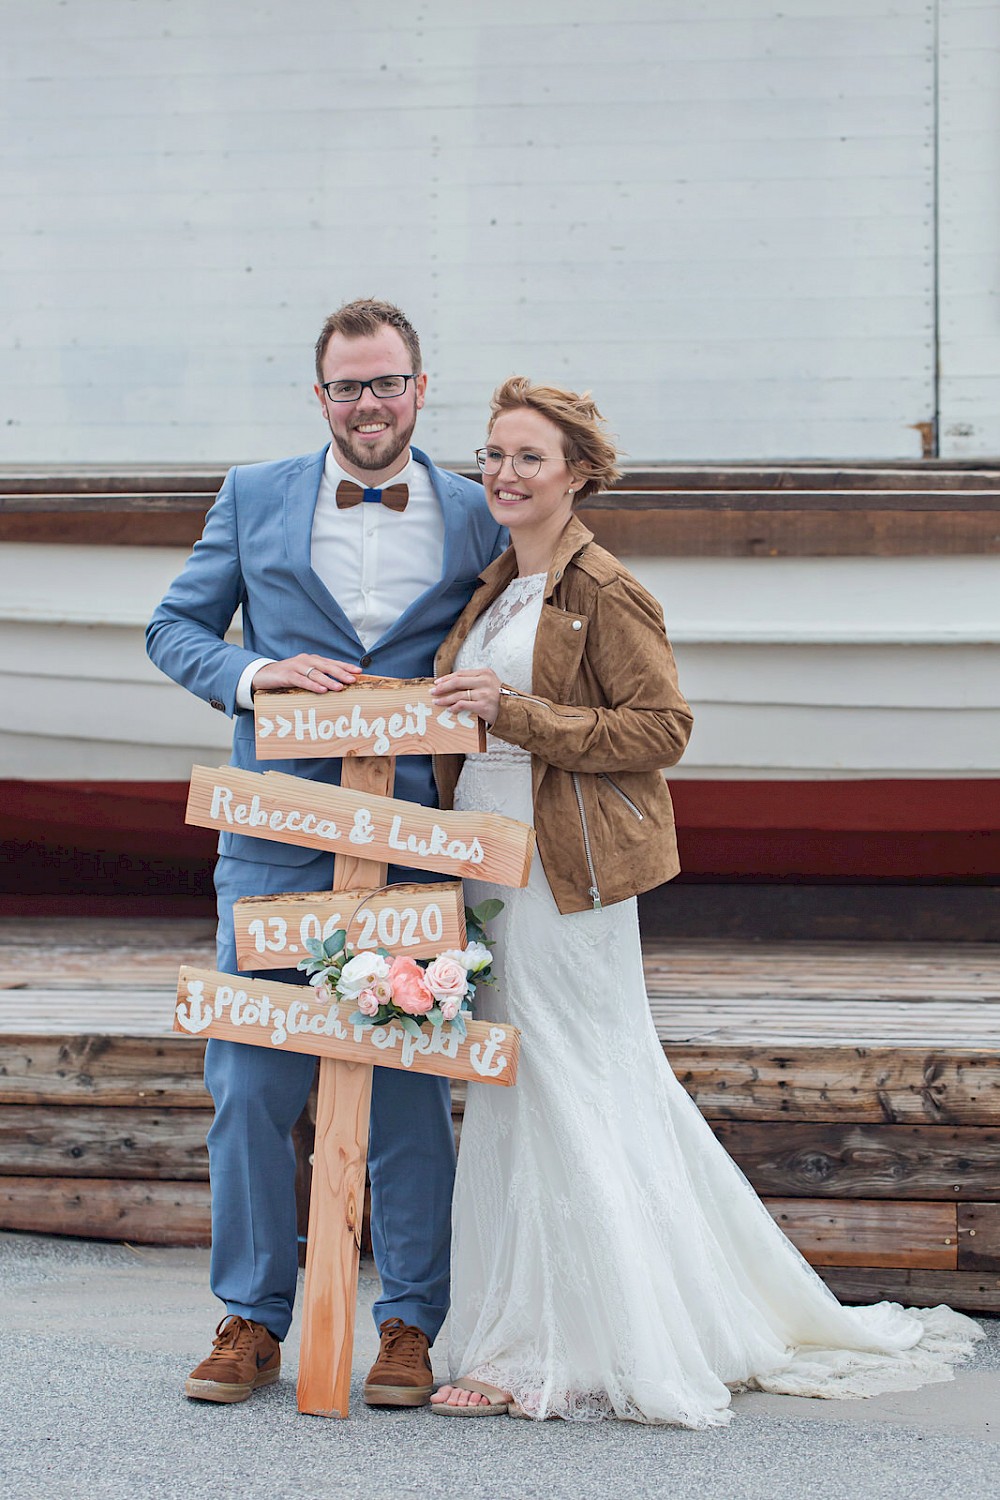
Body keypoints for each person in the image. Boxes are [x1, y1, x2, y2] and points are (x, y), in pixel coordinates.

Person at [428, 377, 982, 1425]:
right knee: (514, 1086)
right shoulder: (499, 585)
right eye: (491, 455)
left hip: (565, 875)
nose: (502, 474)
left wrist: (520, 714)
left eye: (527, 457)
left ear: (578, 471)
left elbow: (661, 731)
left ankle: (564, 1344)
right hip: (491, 862)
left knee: (565, 1082)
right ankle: (533, 1318)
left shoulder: (607, 589)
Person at [146, 299, 504, 1406]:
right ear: (320, 398)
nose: (368, 404)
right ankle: (250, 1321)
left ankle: (408, 1326)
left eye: (386, 382)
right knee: (249, 1085)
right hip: (271, 838)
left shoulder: (477, 512)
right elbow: (176, 629)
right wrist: (259, 674)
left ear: (419, 388)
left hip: (408, 842)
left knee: (402, 1089)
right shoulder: (252, 493)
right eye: (348, 386)